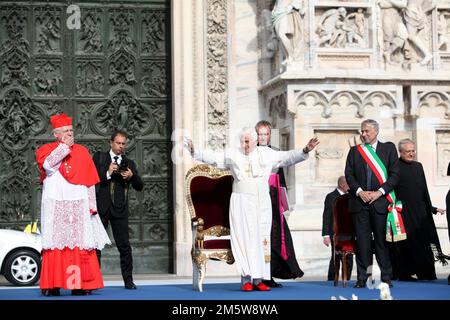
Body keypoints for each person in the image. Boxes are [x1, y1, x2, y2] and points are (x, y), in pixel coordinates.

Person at [186, 127, 319, 291]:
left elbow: (287, 157)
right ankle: (246, 279)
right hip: (241, 202)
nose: (244, 145)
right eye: (242, 141)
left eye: (247, 141)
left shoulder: (267, 154)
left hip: (261, 202)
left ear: (256, 141)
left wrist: (305, 150)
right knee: (244, 239)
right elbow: (213, 158)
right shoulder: (233, 154)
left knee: (261, 239)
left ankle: (259, 279)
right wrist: (194, 151)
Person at [36, 113, 110, 296]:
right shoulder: (47, 149)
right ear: (56, 134)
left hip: (78, 205)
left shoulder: (82, 151)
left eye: (71, 130)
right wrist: (63, 148)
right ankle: (53, 285)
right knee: (56, 245)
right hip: (56, 206)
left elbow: (90, 181)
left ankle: (79, 285)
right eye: (65, 131)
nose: (70, 134)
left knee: (79, 247)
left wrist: (92, 206)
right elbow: (48, 166)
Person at [344, 119, 400, 288]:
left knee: (382, 242)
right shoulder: (355, 151)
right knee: (362, 243)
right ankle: (363, 278)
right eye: (362, 131)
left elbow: (395, 175)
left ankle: (386, 277)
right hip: (360, 203)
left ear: (376, 131)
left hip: (381, 202)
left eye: (366, 131)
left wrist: (379, 192)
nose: (363, 134)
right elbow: (349, 174)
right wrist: (360, 191)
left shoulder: (388, 149)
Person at [388, 138, 447, 281]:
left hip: (421, 213)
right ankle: (405, 273)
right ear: (400, 152)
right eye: (408, 151)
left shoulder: (418, 166)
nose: (411, 154)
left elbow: (423, 191)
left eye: (413, 151)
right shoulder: (394, 167)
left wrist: (432, 208)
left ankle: (426, 273)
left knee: (424, 242)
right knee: (407, 244)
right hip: (404, 213)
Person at [255, 120, 304, 288]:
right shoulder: (249, 153)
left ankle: (269, 275)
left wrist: (283, 202)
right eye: (260, 134)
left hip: (273, 202)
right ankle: (256, 276)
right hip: (255, 203)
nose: (262, 137)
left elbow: (281, 179)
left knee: (275, 239)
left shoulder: (275, 153)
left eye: (265, 134)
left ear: (269, 135)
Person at [93, 129, 144, 290]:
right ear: (111, 142)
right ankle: (93, 281)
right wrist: (108, 172)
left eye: (123, 144)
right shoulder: (100, 157)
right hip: (101, 208)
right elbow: (91, 177)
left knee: (124, 246)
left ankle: (128, 281)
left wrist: (131, 176)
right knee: (96, 246)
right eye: (118, 143)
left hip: (120, 209)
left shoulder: (129, 163)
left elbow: (139, 186)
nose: (121, 146)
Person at [322, 176, 354, 281]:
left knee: (349, 257)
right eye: (348, 184)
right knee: (336, 257)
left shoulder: (350, 196)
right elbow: (326, 216)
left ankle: (347, 278)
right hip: (335, 233)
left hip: (349, 233)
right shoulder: (331, 197)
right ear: (342, 184)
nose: (350, 186)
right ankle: (332, 279)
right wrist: (325, 235)